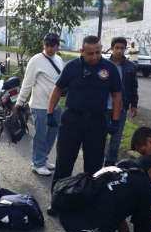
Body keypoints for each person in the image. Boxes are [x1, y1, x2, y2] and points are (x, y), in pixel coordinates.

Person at [47, 36, 122, 194]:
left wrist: (115, 120)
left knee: (93, 166)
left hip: (97, 121)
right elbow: (58, 89)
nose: (94, 56)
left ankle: (89, 201)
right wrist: (50, 112)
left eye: (98, 52)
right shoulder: (72, 67)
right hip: (72, 120)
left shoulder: (109, 68)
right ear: (82, 51)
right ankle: (57, 198)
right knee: (64, 162)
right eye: (90, 53)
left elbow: (117, 95)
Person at [14, 33, 65, 176]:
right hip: (39, 105)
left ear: (57, 46)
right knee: (41, 135)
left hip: (56, 105)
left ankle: (44, 158)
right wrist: (19, 102)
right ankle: (37, 163)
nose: (49, 48)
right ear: (44, 44)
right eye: (47, 45)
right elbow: (27, 82)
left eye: (52, 46)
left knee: (52, 134)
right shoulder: (35, 60)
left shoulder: (59, 59)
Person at [104, 37, 139, 166]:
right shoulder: (104, 65)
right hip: (104, 107)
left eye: (122, 48)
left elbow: (133, 87)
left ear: (125, 49)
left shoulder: (130, 67)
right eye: (116, 48)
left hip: (121, 107)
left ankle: (110, 164)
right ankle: (97, 161)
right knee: (100, 136)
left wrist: (134, 104)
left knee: (116, 138)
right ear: (112, 48)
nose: (119, 51)